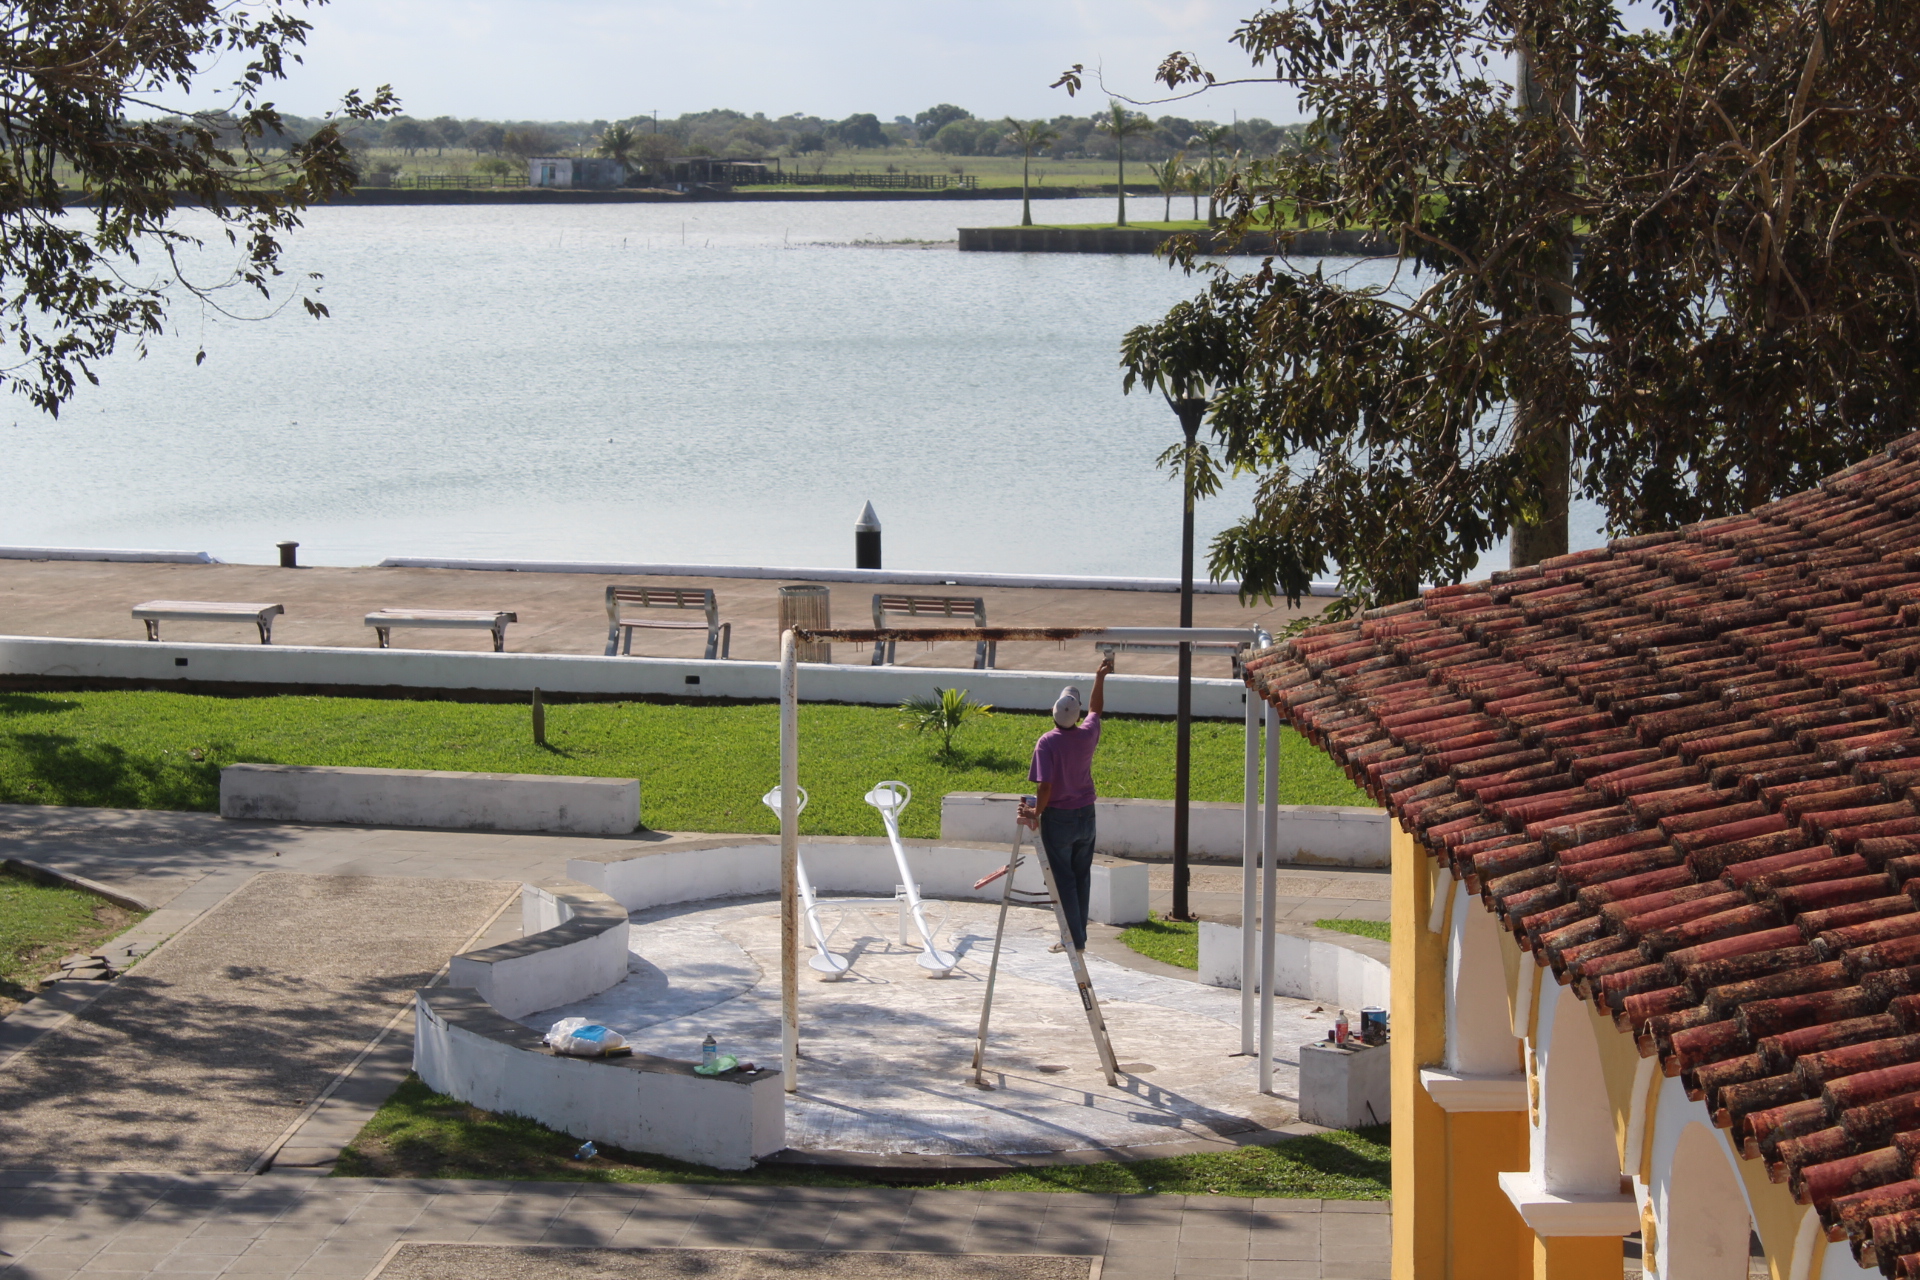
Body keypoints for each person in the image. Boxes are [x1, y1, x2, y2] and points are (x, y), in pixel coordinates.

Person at [1019, 653, 1112, 953]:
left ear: (1053, 712)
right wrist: (1100, 677)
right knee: (1081, 877)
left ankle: (1073, 939)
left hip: (1059, 818)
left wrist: (1035, 811)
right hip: (1087, 816)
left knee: (1063, 881)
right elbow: (1096, 708)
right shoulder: (1088, 734)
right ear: (1077, 714)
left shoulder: (1047, 742)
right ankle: (1078, 937)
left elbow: (1045, 786)